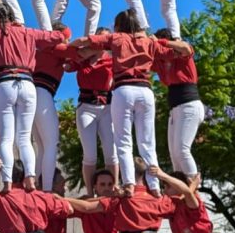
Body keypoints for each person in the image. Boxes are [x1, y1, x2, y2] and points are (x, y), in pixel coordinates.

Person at [0, 6, 70, 192]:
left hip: (4, 83)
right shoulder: (29, 33)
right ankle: (30, 179)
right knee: (24, 138)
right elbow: (62, 34)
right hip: (28, 84)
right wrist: (63, 32)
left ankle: (7, 182)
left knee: (7, 138)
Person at [74, 10, 190, 194]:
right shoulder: (149, 42)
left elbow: (83, 42)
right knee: (147, 142)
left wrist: (74, 46)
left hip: (123, 90)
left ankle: (129, 184)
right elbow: (185, 50)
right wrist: (161, 41)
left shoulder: (117, 38)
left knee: (123, 141)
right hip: (145, 91)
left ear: (119, 25)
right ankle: (154, 186)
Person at [64, 39, 118, 190]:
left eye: (105, 41)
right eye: (99, 40)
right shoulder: (82, 59)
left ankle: (114, 188)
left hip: (107, 106)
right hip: (86, 107)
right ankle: (90, 191)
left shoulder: (112, 60)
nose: (101, 44)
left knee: (111, 151)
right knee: (89, 154)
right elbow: (67, 66)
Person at [152, 31, 204, 177]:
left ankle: (193, 189)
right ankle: (180, 190)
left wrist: (161, 42)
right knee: (175, 155)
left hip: (189, 106)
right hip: (175, 110)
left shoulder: (182, 56)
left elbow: (186, 48)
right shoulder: (161, 62)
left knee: (182, 150)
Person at [32, 30, 70, 192]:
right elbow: (80, 52)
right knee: (51, 144)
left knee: (41, 146)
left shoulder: (39, 49)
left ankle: (36, 186)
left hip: (30, 95)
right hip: (42, 93)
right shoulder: (58, 49)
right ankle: (46, 190)